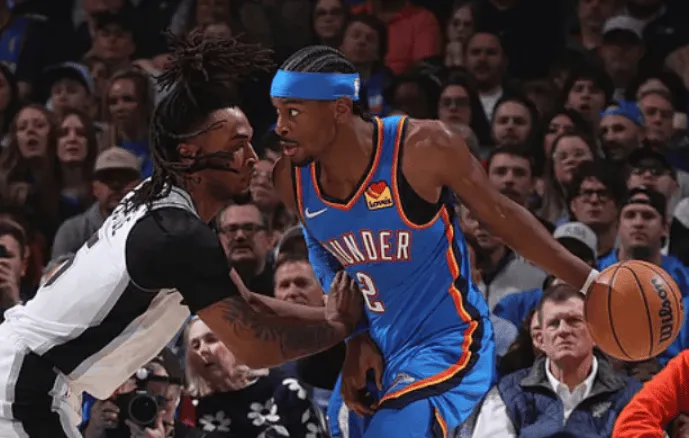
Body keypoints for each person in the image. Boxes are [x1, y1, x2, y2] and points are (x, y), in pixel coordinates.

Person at [0, 31, 363, 438]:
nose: (252, 158)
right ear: (188, 152)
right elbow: (255, 347)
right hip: (27, 387)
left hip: (31, 376)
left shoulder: (159, 203)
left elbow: (247, 300)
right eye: (238, 145)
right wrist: (339, 329)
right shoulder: (176, 234)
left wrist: (333, 314)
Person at [270, 45, 602, 437]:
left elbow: (504, 218)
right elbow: (321, 248)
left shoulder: (421, 147)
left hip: (449, 342)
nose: (280, 126)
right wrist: (355, 337)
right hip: (377, 349)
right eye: (277, 112)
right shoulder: (290, 178)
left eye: (293, 112)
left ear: (340, 108)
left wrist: (591, 282)